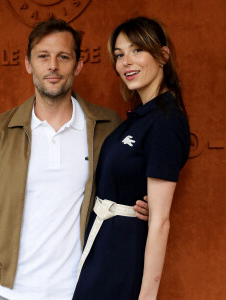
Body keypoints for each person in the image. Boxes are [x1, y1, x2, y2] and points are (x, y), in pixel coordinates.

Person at [0, 19, 149, 300]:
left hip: (82, 289)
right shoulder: (0, 131)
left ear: (78, 65)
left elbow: (127, 188)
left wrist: (145, 205)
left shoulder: (106, 125)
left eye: (63, 57)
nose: (53, 66)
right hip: (10, 292)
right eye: (43, 56)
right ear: (28, 63)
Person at [72, 17, 191, 300]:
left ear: (162, 55)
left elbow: (160, 221)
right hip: (103, 249)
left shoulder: (165, 121)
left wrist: (147, 296)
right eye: (119, 54)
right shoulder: (139, 117)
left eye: (137, 50)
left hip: (121, 259)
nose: (126, 61)